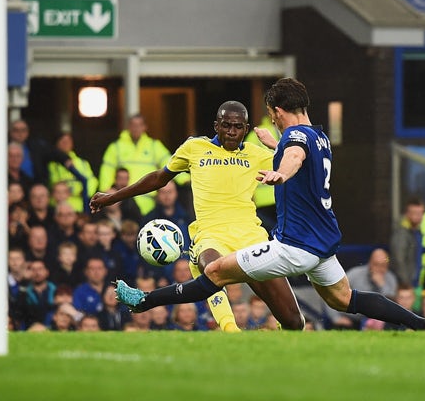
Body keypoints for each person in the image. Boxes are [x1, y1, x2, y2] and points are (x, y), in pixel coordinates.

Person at [113, 77, 425, 332]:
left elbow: (295, 156)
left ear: (276, 111)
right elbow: (299, 151)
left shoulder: (292, 139)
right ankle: (421, 323)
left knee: (213, 271)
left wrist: (280, 174)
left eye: (271, 114)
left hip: (293, 245)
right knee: (343, 300)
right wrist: (277, 150)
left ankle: (143, 301)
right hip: (322, 242)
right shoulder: (319, 135)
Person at [92, 100, 304, 332]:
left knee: (294, 322)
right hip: (211, 236)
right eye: (226, 125)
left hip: (252, 238)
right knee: (213, 268)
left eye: (237, 126)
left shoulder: (257, 154)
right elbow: (158, 178)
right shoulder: (194, 148)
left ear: (246, 128)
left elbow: (297, 163)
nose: (232, 131)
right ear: (216, 126)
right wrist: (113, 197)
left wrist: (276, 145)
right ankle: (228, 330)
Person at [98, 114, 177, 215]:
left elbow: (170, 163)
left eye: (139, 125)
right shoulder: (116, 147)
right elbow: (107, 170)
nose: (136, 128)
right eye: (133, 125)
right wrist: (105, 193)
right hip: (125, 201)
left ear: (144, 127)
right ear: (128, 127)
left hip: (149, 201)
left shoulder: (154, 145)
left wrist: (185, 179)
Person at [244, 114, 279, 232]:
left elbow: (246, 167)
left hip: (261, 197)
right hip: (284, 196)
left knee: (268, 236)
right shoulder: (287, 134)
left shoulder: (255, 135)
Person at [47, 132, 97, 213]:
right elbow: (52, 183)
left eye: (68, 141)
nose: (66, 144)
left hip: (79, 207)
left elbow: (92, 181)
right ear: (57, 144)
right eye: (63, 141)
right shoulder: (52, 164)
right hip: (58, 209)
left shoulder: (82, 162)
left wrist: (86, 192)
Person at [390, 197, 425, 289]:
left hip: (416, 281)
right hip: (407, 284)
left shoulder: (416, 231)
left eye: (421, 213)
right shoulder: (402, 233)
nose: (418, 216)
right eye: (415, 213)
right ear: (407, 214)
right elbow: (399, 260)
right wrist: (406, 283)